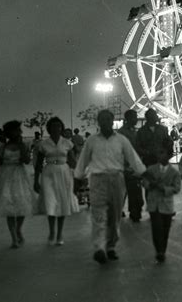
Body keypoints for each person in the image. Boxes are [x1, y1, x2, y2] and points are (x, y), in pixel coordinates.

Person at [74, 109, 146, 264]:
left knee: (115, 214)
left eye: (108, 119)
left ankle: (111, 245)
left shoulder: (121, 140)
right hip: (97, 179)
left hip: (117, 178)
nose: (106, 122)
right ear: (98, 122)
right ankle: (99, 247)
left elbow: (132, 157)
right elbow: (83, 160)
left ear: (113, 121)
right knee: (98, 213)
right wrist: (78, 177)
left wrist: (143, 173)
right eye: (102, 119)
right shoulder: (92, 141)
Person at [0, 120, 33, 248]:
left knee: (21, 205)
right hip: (5, 176)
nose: (20, 132)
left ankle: (18, 229)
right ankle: (13, 237)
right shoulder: (1, 147)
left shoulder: (22, 145)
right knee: (9, 208)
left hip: (20, 176)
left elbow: (27, 160)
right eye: (17, 130)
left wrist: (22, 147)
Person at [34, 117, 79, 246]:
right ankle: (51, 231)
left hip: (64, 172)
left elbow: (72, 161)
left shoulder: (67, 143)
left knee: (62, 203)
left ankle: (59, 233)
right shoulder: (44, 144)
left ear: (62, 128)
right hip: (48, 173)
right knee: (50, 202)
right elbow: (38, 163)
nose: (56, 129)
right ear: (49, 128)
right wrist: (36, 181)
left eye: (59, 126)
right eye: (53, 126)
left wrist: (78, 174)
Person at [143, 140, 181, 263]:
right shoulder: (150, 169)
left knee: (165, 229)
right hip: (154, 203)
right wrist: (150, 185)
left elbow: (177, 188)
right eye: (159, 153)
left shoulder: (174, 172)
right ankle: (159, 251)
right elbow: (145, 183)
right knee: (156, 227)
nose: (160, 156)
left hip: (167, 204)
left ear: (169, 155)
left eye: (163, 153)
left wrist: (164, 189)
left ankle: (162, 250)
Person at [118, 109, 143, 222]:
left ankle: (134, 211)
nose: (136, 119)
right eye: (134, 117)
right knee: (124, 190)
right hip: (125, 164)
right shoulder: (121, 132)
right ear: (128, 119)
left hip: (134, 164)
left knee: (133, 190)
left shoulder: (135, 131)